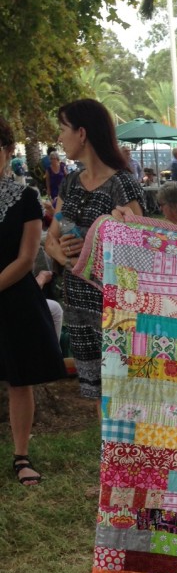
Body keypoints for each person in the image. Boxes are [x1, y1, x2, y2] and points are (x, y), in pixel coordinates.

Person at [44, 98, 145, 401]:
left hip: (113, 307)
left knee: (123, 394)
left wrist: (92, 247)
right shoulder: (70, 183)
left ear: (82, 133)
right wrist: (68, 257)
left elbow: (139, 252)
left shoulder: (122, 185)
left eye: (63, 128)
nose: (59, 137)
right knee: (95, 394)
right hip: (77, 304)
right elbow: (51, 239)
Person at [0, 116, 66, 485]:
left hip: (14, 297)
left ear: (8, 150)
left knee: (19, 379)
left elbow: (27, 258)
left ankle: (21, 456)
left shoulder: (26, 197)